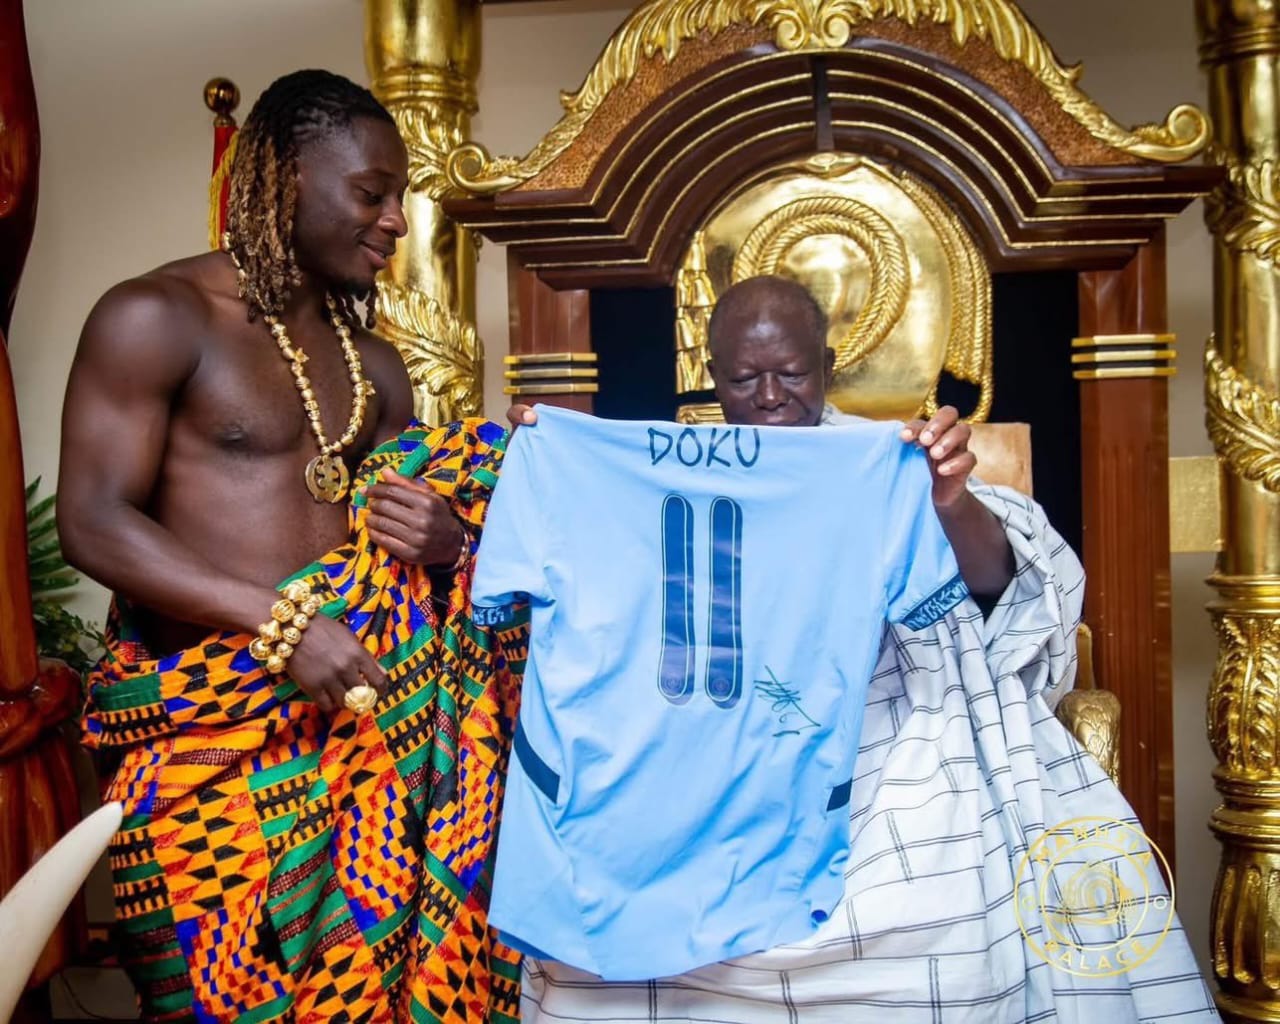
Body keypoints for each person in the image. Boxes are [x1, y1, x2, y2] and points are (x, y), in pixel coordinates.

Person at [504, 275, 1218, 1021]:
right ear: (711, 375)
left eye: (791, 373)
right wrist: (557, 462)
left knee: (931, 882)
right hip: (702, 730)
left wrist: (948, 500)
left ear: (828, 364)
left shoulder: (885, 458)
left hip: (881, 735)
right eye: (745, 378)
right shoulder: (660, 468)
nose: (770, 396)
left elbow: (998, 583)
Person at [58, 70, 523, 1023]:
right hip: (211, 747)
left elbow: (414, 544)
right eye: (372, 193)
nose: (396, 221)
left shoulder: (377, 365)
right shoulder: (156, 316)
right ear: (286, 177)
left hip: (359, 743)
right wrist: (285, 625)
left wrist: (446, 539)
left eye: (399, 197)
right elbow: (94, 520)